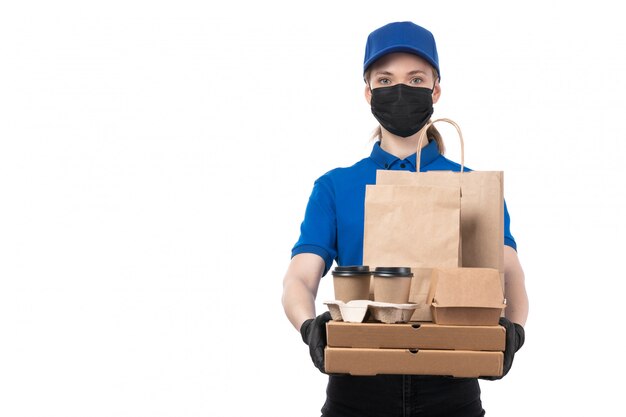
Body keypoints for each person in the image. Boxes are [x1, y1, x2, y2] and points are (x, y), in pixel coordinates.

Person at [281, 21, 529, 417]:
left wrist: (512, 331)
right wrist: (309, 326)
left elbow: (510, 271)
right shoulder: (336, 186)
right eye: (386, 78)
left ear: (436, 90)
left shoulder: (471, 184)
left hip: (451, 384)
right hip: (358, 386)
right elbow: (299, 277)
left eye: (416, 79)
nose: (401, 89)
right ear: (368, 92)